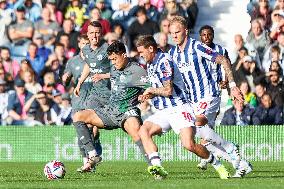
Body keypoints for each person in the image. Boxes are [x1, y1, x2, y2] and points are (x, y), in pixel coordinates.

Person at [136, 35, 230, 180]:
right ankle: (158, 168)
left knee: (189, 144)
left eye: (141, 52)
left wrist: (151, 91)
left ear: (150, 48)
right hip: (164, 110)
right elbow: (158, 89)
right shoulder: (150, 63)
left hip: (179, 108)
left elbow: (167, 90)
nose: (140, 56)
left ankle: (218, 165)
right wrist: (148, 95)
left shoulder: (164, 61)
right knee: (143, 131)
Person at [168, 16, 252, 177]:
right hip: (192, 100)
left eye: (177, 32)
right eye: (172, 33)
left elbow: (224, 61)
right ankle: (241, 164)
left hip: (209, 95)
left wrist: (232, 86)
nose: (174, 36)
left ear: (186, 31)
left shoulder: (197, 47)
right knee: (202, 139)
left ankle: (230, 147)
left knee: (197, 125)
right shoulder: (173, 53)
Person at [73, 41, 150, 172]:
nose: (113, 62)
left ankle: (153, 165)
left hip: (127, 111)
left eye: (115, 59)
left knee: (136, 133)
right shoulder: (114, 67)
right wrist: (100, 76)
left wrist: (145, 96)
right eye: (111, 60)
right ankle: (93, 155)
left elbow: (151, 87)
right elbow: (114, 75)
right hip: (110, 111)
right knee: (78, 116)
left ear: (123, 55)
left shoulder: (138, 71)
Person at [62, 34, 103, 172]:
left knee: (94, 132)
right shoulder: (73, 62)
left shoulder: (97, 58)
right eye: (83, 43)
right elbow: (65, 80)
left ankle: (93, 158)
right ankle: (87, 162)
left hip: (95, 98)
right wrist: (65, 78)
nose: (85, 45)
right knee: (83, 132)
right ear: (79, 44)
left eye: (88, 42)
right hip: (79, 100)